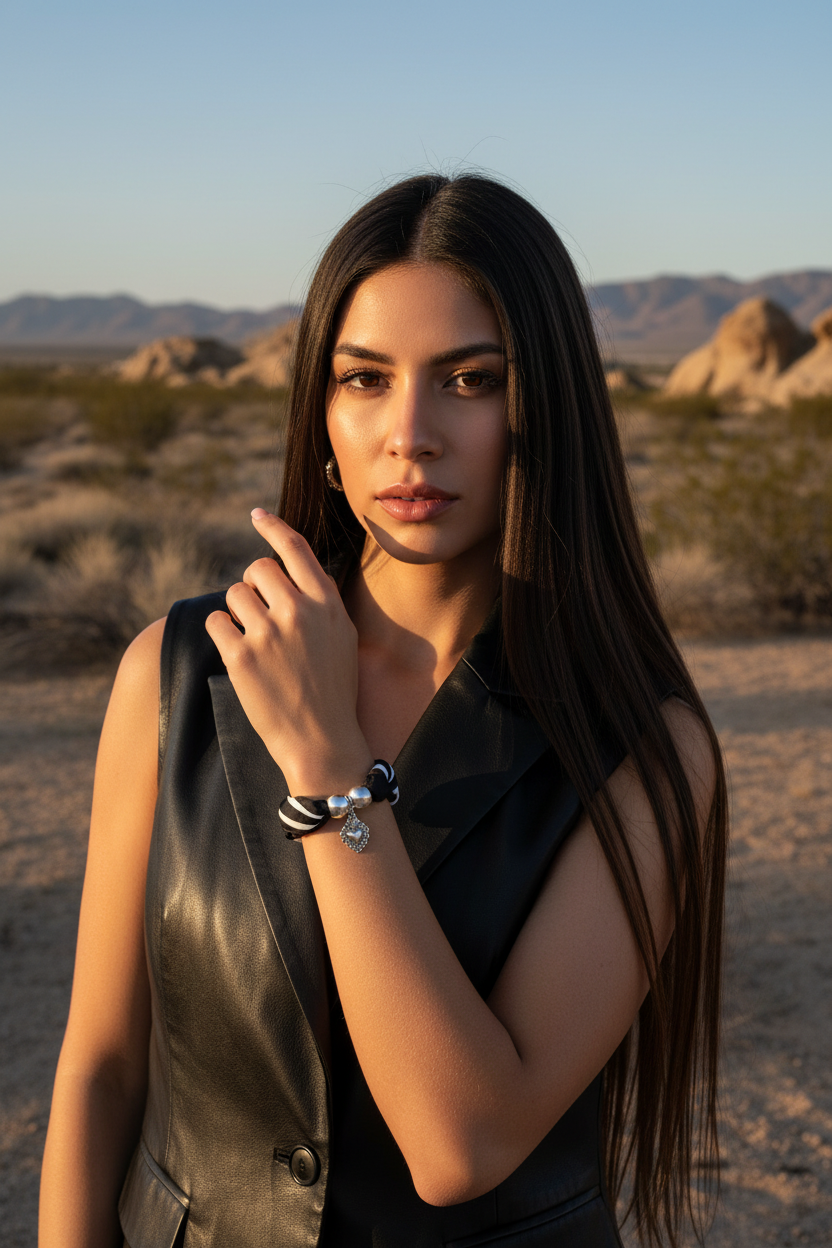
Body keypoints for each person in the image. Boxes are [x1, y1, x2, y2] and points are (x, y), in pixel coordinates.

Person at [39, 173, 727, 1248]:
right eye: (365, 380)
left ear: (541, 408)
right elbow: (101, 1065)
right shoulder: (177, 672)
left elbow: (462, 1147)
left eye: (469, 379)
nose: (410, 433)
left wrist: (327, 768)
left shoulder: (643, 745)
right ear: (320, 412)